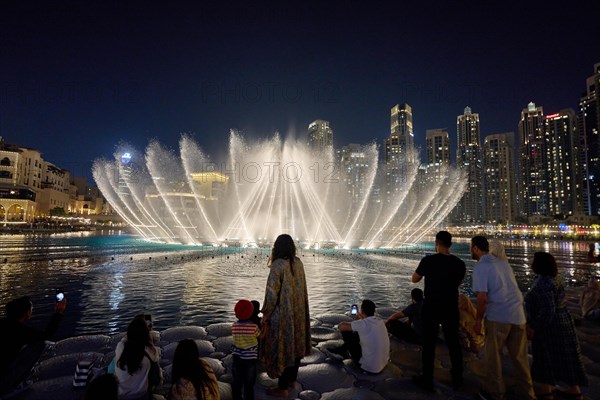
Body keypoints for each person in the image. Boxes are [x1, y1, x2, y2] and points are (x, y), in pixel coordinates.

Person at [471, 235, 535, 400]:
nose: (471, 251)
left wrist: (478, 321)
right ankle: (527, 393)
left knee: (494, 357)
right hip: (518, 315)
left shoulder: (480, 267)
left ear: (476, 248)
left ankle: (495, 393)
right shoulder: (503, 263)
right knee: (521, 359)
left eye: (472, 248)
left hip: (498, 317)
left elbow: (482, 298)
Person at [525, 252, 588, 400]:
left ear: (539, 265)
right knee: (566, 357)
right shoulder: (555, 278)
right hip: (563, 321)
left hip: (551, 328)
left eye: (534, 261)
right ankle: (574, 390)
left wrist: (534, 327)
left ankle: (546, 391)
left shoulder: (543, 284)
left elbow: (548, 310)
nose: (531, 264)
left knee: (545, 357)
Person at [411, 230, 465, 391]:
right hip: (450, 307)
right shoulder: (459, 263)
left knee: (429, 344)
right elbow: (459, 282)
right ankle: (457, 379)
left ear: (436, 243)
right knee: (454, 343)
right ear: (450, 244)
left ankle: (427, 378)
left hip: (432, 307)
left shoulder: (428, 261)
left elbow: (415, 279)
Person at [260, 234, 311, 398]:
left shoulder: (278, 265)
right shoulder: (298, 263)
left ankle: (282, 388)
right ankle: (291, 381)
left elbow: (271, 293)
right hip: (298, 315)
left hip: (283, 317)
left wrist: (266, 314)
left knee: (283, 349)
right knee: (296, 348)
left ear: (277, 247)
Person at [0, 294, 67, 395]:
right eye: (31, 309)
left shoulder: (5, 324)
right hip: (4, 380)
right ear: (27, 313)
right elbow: (46, 335)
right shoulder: (20, 331)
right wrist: (59, 312)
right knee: (39, 344)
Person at [335, 299, 390, 373]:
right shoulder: (380, 321)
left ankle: (341, 350)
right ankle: (342, 349)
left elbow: (341, 326)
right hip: (383, 364)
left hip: (369, 368)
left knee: (347, 332)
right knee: (359, 333)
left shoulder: (363, 324)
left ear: (362, 311)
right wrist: (360, 318)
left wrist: (357, 320)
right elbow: (367, 323)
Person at [115, 316, 162, 400]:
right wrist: (149, 331)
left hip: (121, 395)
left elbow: (126, 339)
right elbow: (156, 358)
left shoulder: (120, 346)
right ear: (146, 334)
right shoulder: (150, 351)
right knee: (155, 365)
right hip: (141, 396)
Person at [231, 299, 260, 400]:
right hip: (250, 359)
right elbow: (260, 336)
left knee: (236, 382)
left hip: (237, 358)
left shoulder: (234, 326)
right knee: (249, 384)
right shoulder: (254, 327)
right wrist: (265, 328)